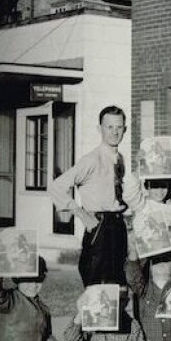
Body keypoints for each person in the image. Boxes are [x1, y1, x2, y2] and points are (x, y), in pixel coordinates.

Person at [47, 105, 129, 286]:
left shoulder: (119, 158)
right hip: (99, 228)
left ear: (125, 129)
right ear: (99, 129)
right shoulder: (91, 160)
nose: (115, 132)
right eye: (110, 127)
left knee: (118, 289)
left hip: (118, 226)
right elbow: (56, 187)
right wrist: (82, 215)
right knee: (96, 290)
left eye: (119, 127)